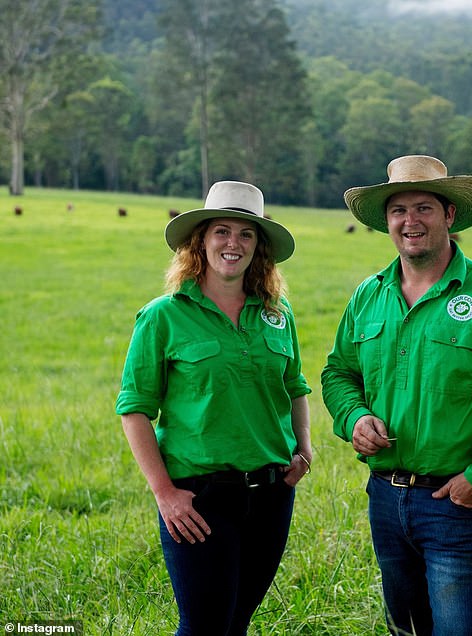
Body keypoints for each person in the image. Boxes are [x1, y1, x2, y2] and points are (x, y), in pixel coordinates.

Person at [321, 155, 472, 636]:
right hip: (385, 498)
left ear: (449, 215)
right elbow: (338, 372)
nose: (410, 221)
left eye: (424, 207)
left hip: (457, 503)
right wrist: (355, 418)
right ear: (386, 221)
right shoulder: (369, 295)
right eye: (398, 210)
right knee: (405, 630)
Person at [116, 180, 312, 636]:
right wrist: (165, 493)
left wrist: (303, 450)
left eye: (246, 234)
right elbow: (135, 409)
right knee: (205, 625)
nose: (233, 243)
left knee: (238, 621)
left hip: (271, 492)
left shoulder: (277, 314)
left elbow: (295, 385)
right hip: (199, 497)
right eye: (221, 231)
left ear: (258, 247)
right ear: (200, 242)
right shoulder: (163, 316)